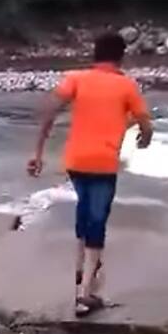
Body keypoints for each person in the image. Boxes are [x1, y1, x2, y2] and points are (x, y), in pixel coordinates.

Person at [26, 32, 154, 317]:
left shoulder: (76, 79)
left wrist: (37, 153)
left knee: (85, 211)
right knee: (97, 220)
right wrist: (145, 138)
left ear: (94, 55)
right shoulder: (126, 85)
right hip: (103, 163)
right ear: (121, 56)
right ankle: (85, 296)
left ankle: (82, 269)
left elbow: (49, 111)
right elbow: (145, 123)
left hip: (75, 162)